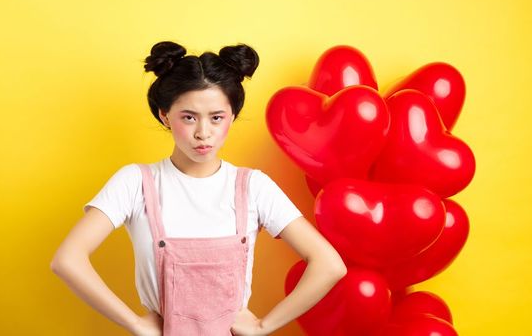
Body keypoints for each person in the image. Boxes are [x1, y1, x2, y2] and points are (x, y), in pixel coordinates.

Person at [50, 41, 347, 336]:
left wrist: (262, 326)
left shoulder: (253, 187)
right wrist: (135, 324)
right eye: (188, 117)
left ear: (232, 116)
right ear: (165, 115)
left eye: (216, 117)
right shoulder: (135, 183)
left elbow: (329, 265)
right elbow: (68, 259)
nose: (203, 133)